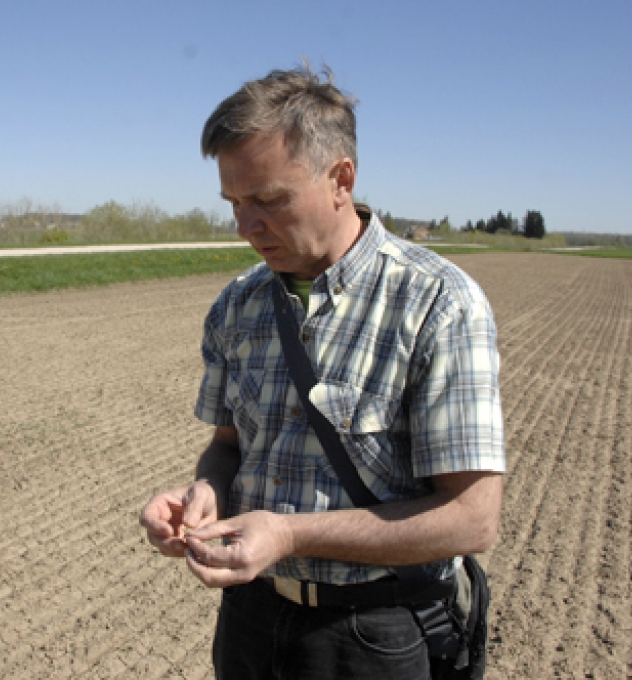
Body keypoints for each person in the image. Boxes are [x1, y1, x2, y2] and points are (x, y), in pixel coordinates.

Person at [139, 64, 505, 680]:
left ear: (341, 179)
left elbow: (471, 518)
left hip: (375, 634)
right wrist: (206, 493)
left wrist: (288, 536)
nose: (246, 228)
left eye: (269, 200)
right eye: (234, 203)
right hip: (251, 619)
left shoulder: (437, 303)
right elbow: (227, 447)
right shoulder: (239, 304)